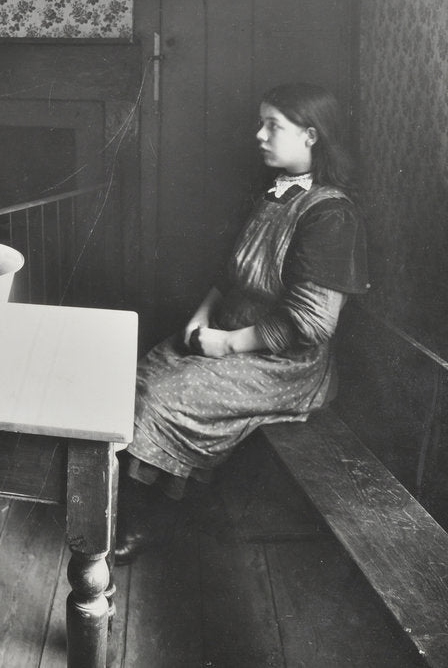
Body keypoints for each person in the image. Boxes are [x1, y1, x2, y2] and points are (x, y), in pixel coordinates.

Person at [116, 82, 368, 564]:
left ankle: (155, 519)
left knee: (161, 397)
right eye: (262, 122)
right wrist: (203, 314)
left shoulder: (331, 214)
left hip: (283, 365)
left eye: (273, 125)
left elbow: (311, 322)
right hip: (228, 331)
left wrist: (228, 345)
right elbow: (230, 273)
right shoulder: (273, 194)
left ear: (311, 136)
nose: (260, 134)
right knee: (142, 373)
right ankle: (128, 503)